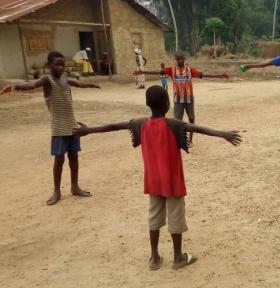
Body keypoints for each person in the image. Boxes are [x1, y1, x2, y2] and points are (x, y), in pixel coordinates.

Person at [73, 85, 242, 270]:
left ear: (147, 104)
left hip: (153, 181)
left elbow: (115, 126)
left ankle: (154, 258)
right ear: (168, 104)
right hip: (173, 181)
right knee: (175, 216)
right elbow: (197, 128)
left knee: (154, 217)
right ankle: (178, 258)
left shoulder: (140, 123)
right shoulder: (174, 124)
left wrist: (89, 130)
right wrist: (223, 134)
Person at [0, 51, 101, 205]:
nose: (60, 67)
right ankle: (56, 191)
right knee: (59, 160)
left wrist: (91, 84)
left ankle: (75, 186)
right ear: (49, 65)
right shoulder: (47, 80)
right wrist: (15, 86)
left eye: (62, 64)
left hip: (72, 126)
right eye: (57, 64)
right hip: (59, 129)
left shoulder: (65, 79)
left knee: (74, 158)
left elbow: (78, 83)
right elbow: (32, 84)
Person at [136, 52, 228, 145]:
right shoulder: (172, 70)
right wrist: (143, 72)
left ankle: (190, 140)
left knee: (191, 119)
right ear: (176, 60)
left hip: (189, 99)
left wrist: (219, 75)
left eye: (181, 59)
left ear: (184, 59)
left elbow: (203, 74)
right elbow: (159, 71)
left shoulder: (190, 70)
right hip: (178, 100)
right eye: (178, 59)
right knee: (177, 121)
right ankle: (177, 140)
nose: (180, 60)